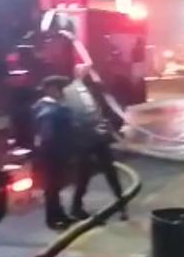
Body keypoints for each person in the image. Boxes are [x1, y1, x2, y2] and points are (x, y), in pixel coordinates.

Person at [65, 65, 128, 221]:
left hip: (98, 138)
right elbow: (73, 117)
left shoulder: (94, 91)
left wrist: (110, 126)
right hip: (84, 140)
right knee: (84, 175)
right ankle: (76, 207)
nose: (91, 77)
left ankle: (121, 204)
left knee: (110, 172)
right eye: (87, 74)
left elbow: (106, 110)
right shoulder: (70, 92)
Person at [32, 75, 76, 230]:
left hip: (54, 153)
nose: (63, 93)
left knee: (55, 186)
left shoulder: (51, 107)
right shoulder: (48, 109)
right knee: (52, 187)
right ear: (51, 89)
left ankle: (58, 214)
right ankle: (53, 218)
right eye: (61, 89)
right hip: (52, 154)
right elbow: (47, 135)